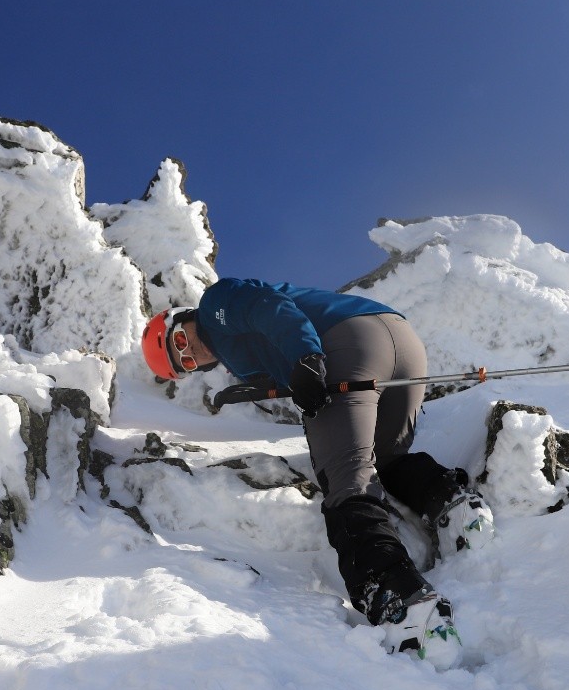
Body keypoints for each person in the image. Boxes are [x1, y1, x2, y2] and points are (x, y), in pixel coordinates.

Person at [139, 277, 493, 660]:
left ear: (182, 318)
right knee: (383, 458)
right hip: (402, 342)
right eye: (187, 362)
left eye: (179, 342)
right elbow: (273, 348)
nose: (191, 351)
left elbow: (269, 308)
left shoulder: (215, 303)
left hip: (344, 342)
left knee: (345, 476)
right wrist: (262, 383)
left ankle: (400, 598)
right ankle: (452, 504)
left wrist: (306, 358)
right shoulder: (236, 354)